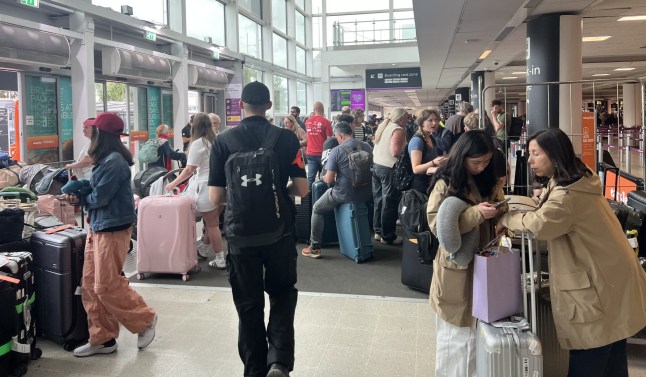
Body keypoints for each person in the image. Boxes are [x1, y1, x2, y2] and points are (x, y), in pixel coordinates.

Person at [497, 128, 646, 377]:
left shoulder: (567, 196)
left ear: (555, 155)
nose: (529, 159)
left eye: (536, 153)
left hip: (597, 289)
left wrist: (507, 217)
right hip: (612, 279)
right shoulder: (579, 178)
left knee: (589, 356)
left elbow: (540, 224)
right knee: (612, 355)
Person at [208, 81, 308, 377]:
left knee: (248, 304)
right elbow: (301, 188)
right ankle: (278, 361)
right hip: (280, 232)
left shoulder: (223, 141)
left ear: (240, 106)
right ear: (268, 106)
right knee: (282, 293)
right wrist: (277, 190)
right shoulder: (286, 139)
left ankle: (254, 370)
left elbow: (215, 197)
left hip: (240, 235)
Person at [63, 113, 157, 357]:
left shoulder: (113, 162)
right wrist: (84, 196)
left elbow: (99, 197)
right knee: (90, 285)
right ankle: (103, 338)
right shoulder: (106, 159)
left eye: (91, 130)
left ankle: (145, 319)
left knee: (105, 285)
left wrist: (82, 197)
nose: (88, 133)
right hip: (99, 226)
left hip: (112, 228)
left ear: (100, 135)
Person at [426, 129, 506, 377]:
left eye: (486, 161)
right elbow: (439, 226)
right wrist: (476, 214)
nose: (481, 167)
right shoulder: (446, 183)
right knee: (455, 341)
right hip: (456, 269)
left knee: (478, 339)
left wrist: (501, 216)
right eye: (476, 162)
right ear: (462, 157)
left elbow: (500, 205)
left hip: (484, 264)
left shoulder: (489, 180)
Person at [302, 121, 373, 258]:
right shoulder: (366, 146)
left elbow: (329, 179)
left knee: (317, 208)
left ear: (339, 136)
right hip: (366, 192)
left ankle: (314, 247)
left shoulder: (337, 150)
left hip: (344, 194)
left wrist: (322, 178)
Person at [165, 113, 225, 269]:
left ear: (195, 126)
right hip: (222, 186)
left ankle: (220, 259)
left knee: (212, 225)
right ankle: (204, 250)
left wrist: (172, 184)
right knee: (213, 223)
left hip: (206, 186)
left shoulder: (198, 143)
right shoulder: (218, 140)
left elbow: (189, 170)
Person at [372, 108, 409, 245]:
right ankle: (387, 236)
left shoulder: (384, 126)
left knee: (379, 200)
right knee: (389, 203)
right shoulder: (398, 130)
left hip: (377, 166)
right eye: (406, 118)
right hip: (389, 169)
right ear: (400, 119)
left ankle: (378, 231)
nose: (407, 121)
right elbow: (395, 152)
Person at [408, 109, 445, 194]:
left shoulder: (431, 138)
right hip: (421, 185)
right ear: (422, 123)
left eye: (436, 120)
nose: (434, 123)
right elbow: (416, 169)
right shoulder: (417, 141)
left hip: (430, 182)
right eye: (430, 120)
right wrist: (434, 162)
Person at [305, 101, 333, 188]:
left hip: (310, 153)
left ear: (314, 110)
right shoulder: (326, 122)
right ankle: (321, 197)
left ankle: (310, 200)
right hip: (323, 154)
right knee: (324, 177)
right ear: (323, 110)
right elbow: (330, 140)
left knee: (310, 177)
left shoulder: (308, 122)